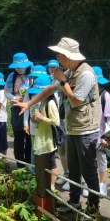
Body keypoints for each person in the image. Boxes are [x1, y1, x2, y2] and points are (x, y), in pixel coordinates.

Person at [13, 37, 101, 218]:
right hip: (73, 128)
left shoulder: (86, 74)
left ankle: (93, 207)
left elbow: (76, 101)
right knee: (74, 169)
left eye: (60, 55)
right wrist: (28, 104)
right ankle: (74, 202)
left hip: (86, 130)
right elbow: (47, 90)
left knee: (88, 170)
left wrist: (63, 81)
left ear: (69, 56)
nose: (58, 58)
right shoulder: (68, 72)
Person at [28, 76, 60, 190]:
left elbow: (56, 121)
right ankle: (43, 184)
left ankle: (51, 186)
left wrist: (42, 118)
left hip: (48, 139)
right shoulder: (43, 102)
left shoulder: (50, 103)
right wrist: (35, 119)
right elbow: (42, 117)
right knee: (42, 163)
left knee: (52, 164)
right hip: (41, 138)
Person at [4, 52, 33, 169]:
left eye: (21, 66)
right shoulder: (12, 76)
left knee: (31, 139)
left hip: (31, 109)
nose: (19, 69)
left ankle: (30, 165)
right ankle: (20, 166)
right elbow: (6, 92)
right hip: (17, 110)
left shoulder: (33, 75)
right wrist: (15, 98)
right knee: (19, 139)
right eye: (16, 67)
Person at [48, 60, 71, 191]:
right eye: (51, 68)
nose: (53, 70)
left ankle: (73, 178)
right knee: (61, 148)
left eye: (56, 68)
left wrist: (62, 82)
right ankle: (66, 173)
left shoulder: (67, 81)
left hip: (71, 122)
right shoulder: (54, 83)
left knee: (69, 150)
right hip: (60, 119)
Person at [23, 65, 51, 173]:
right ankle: (34, 173)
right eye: (33, 77)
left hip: (46, 125)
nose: (35, 79)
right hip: (33, 124)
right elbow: (26, 107)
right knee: (34, 149)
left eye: (37, 77)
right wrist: (26, 123)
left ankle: (45, 174)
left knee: (46, 150)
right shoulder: (29, 91)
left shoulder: (50, 91)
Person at [92, 66, 110, 196]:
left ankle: (102, 184)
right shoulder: (90, 95)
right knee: (89, 160)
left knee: (101, 159)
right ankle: (92, 184)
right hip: (90, 133)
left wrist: (106, 137)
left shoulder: (106, 96)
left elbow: (109, 119)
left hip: (101, 135)